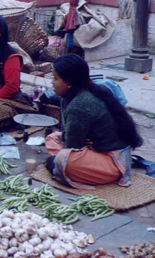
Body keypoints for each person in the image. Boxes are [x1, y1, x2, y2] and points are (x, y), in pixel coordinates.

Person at [45, 54, 143, 189]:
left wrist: (79, 144)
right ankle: (60, 164)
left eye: (55, 78)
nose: (52, 83)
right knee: (52, 138)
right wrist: (81, 142)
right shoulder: (70, 96)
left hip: (112, 162)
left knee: (63, 159)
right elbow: (70, 137)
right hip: (94, 150)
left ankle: (58, 166)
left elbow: (72, 146)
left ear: (69, 83)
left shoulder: (79, 105)